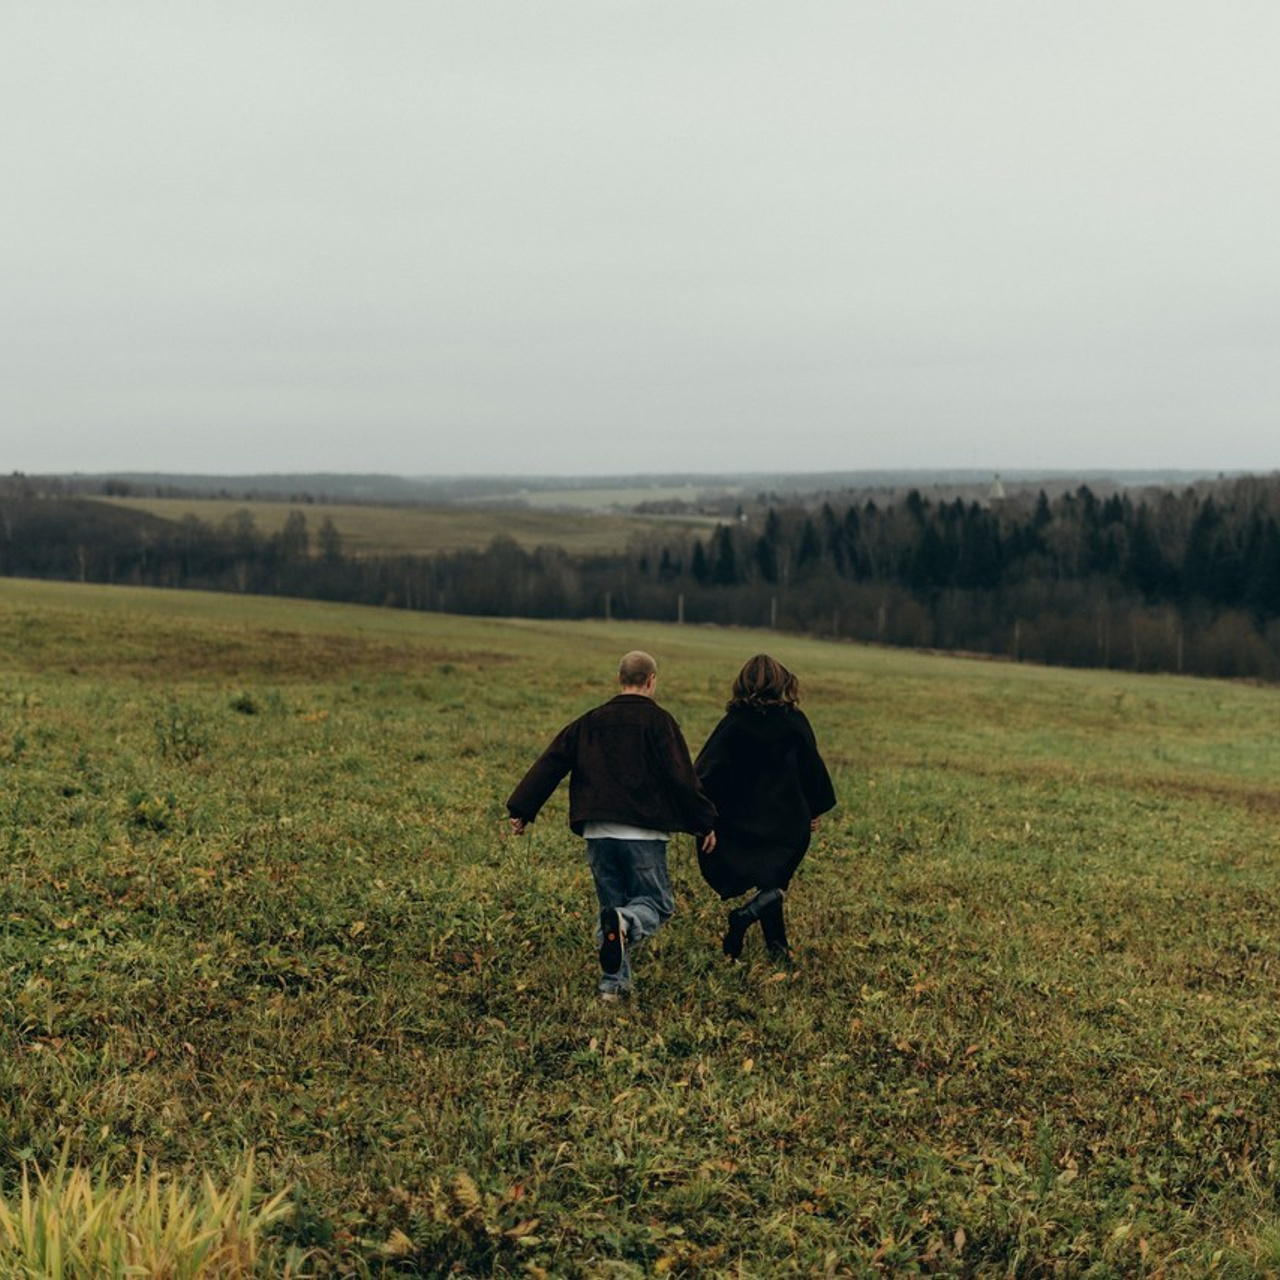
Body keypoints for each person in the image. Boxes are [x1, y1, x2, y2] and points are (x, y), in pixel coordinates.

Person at [506, 650, 717, 1001]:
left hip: (598, 831)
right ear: (652, 681)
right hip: (643, 833)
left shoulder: (590, 721)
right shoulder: (660, 722)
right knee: (656, 905)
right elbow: (682, 777)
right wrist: (704, 821)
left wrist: (522, 808)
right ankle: (627, 923)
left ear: (620, 679)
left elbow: (552, 762)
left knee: (611, 909)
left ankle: (612, 987)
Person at [694, 654, 836, 962]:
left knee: (772, 881)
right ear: (781, 682)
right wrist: (815, 809)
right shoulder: (794, 720)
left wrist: (705, 819)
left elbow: (705, 773)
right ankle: (745, 918)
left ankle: (777, 947)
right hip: (787, 822)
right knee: (776, 881)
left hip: (739, 823)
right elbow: (813, 769)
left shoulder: (734, 723)